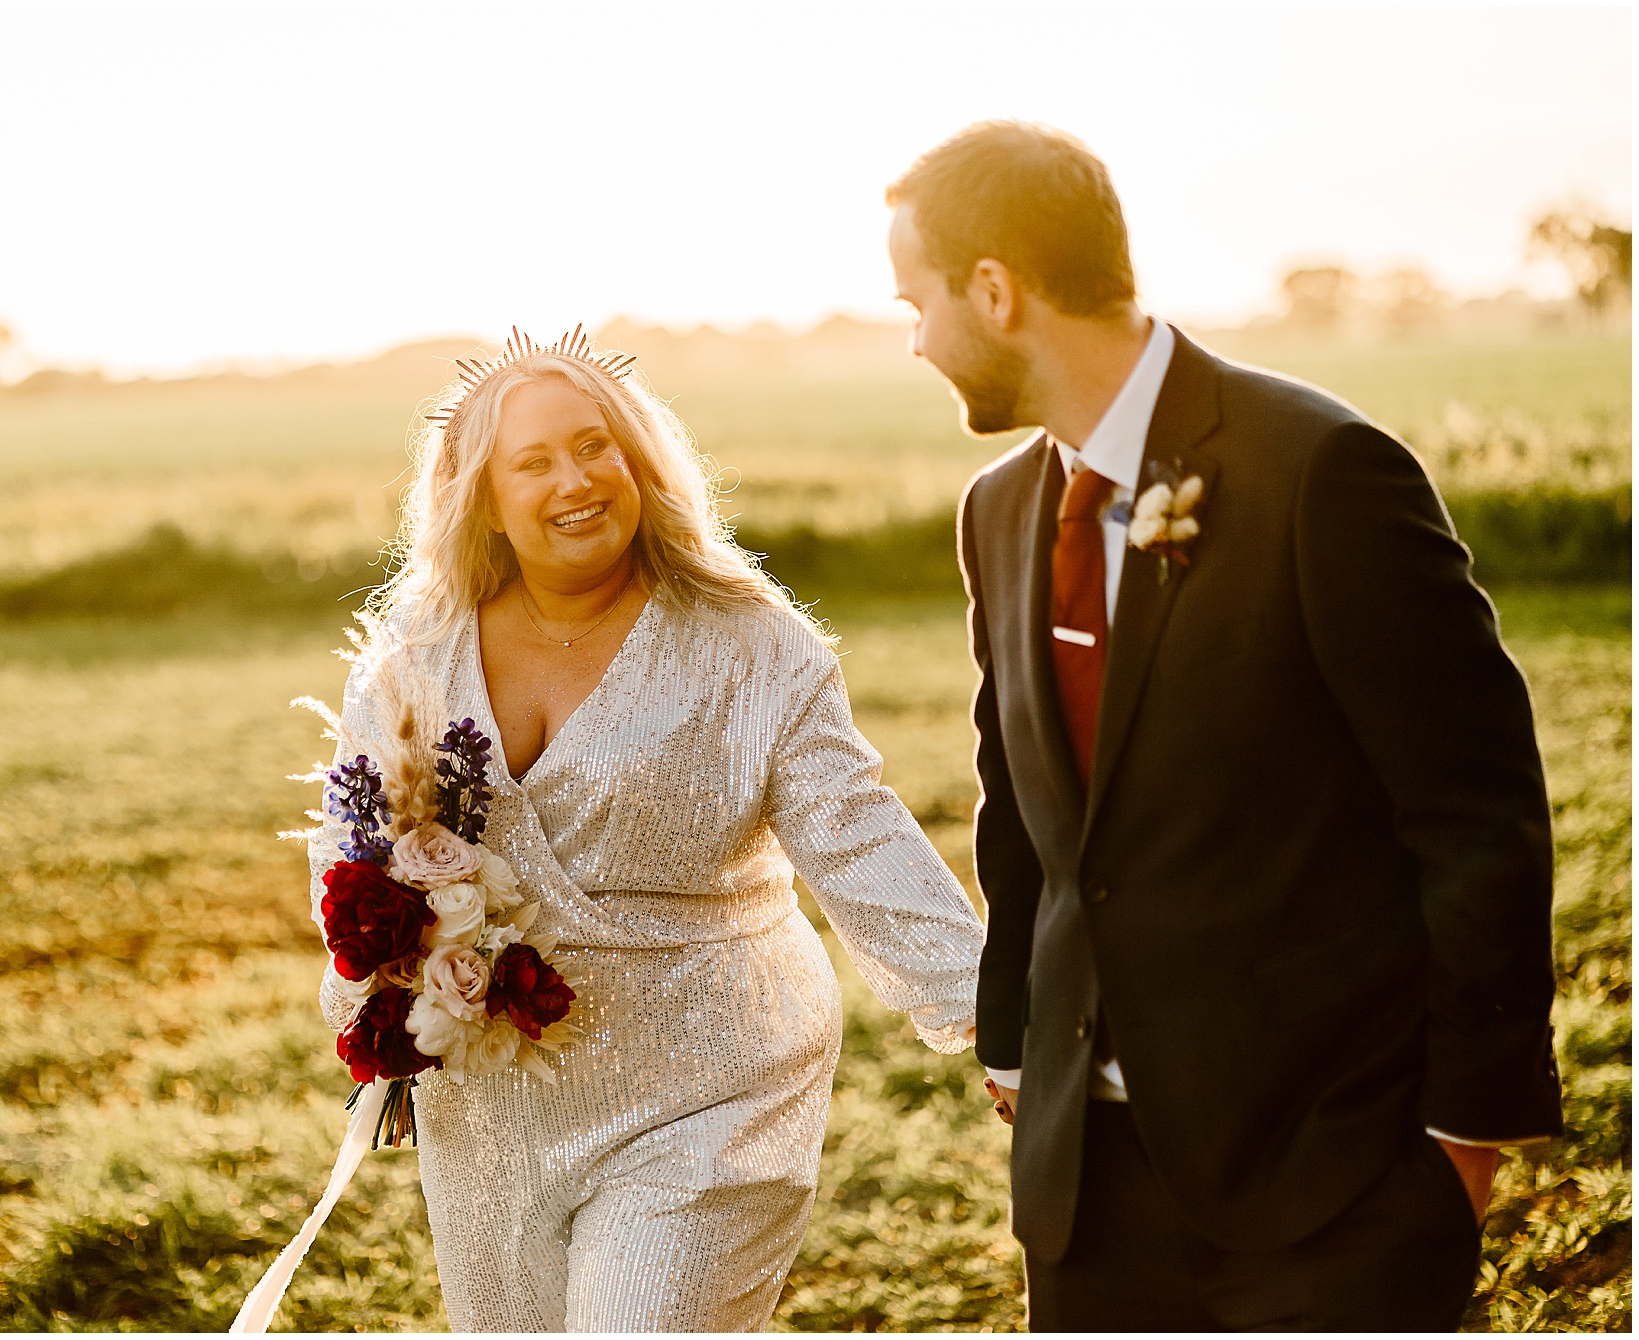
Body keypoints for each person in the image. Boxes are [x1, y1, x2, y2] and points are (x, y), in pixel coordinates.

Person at [884, 122, 1563, 1330]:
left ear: (994, 291)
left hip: (1327, 1181)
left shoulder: (1320, 469)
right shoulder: (997, 512)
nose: (916, 340)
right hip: (1085, 1188)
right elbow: (1020, 801)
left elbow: (1473, 809)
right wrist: (1012, 1036)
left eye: (917, 303)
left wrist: (1462, 1140)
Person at [306, 329, 986, 1332]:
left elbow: (855, 832)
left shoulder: (750, 642)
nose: (574, 478)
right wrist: (387, 977)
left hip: (708, 1085)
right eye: (531, 460)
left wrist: (985, 1009)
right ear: (483, 494)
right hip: (496, 1100)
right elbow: (348, 842)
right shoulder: (418, 651)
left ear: (638, 460)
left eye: (594, 445)